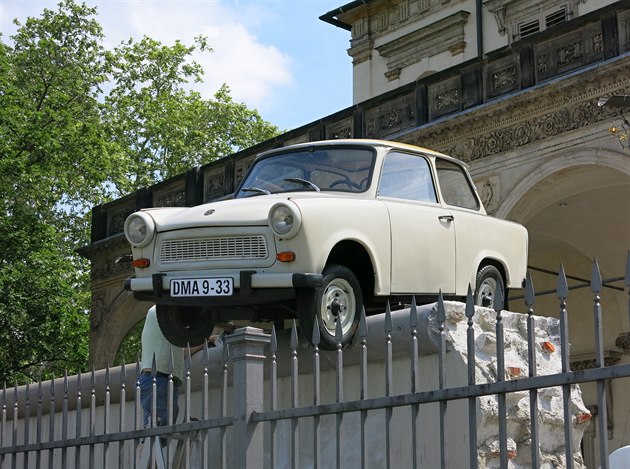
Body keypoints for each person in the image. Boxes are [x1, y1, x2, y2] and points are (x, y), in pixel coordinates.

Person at [139, 305, 233, 430]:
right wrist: (209, 338)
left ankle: (148, 447)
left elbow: (181, 352)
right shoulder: (166, 310)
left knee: (159, 432)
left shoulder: (166, 319)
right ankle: (144, 449)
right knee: (155, 431)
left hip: (163, 378)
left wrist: (207, 339)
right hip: (157, 378)